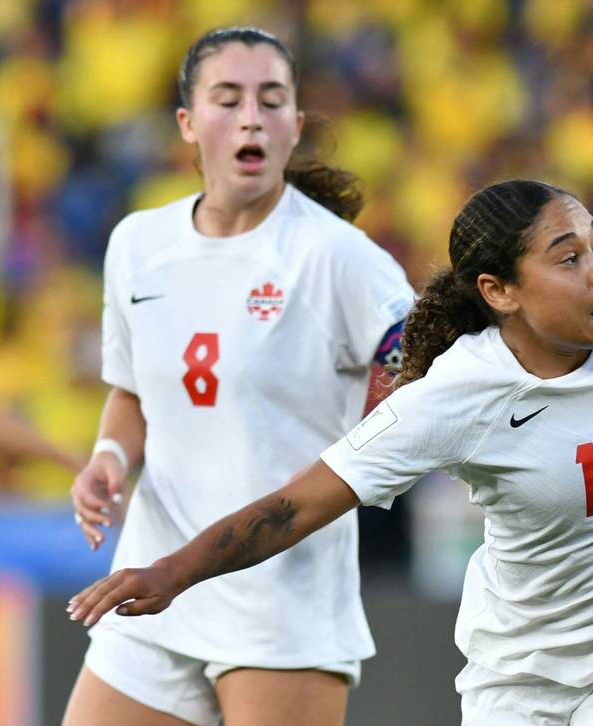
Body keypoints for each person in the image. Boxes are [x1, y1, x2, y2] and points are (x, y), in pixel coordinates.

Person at [67, 178, 593, 725]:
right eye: (570, 257)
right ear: (501, 292)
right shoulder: (455, 397)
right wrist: (170, 572)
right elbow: (298, 503)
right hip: (519, 674)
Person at [63, 27, 414, 726]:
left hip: (280, 602)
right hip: (149, 587)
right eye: (228, 98)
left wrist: (381, 427)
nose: (252, 115)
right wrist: (108, 458)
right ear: (188, 125)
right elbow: (132, 390)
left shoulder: (340, 259)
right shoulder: (138, 243)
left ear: (295, 127)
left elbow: (411, 384)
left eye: (272, 99)